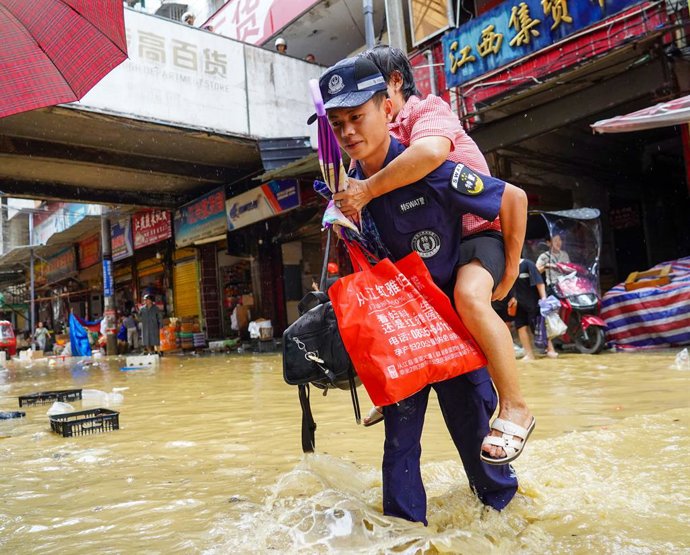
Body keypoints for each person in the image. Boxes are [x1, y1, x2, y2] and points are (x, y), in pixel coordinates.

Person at [319, 56, 528, 524]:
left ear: (387, 108)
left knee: (478, 443)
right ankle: (404, 536)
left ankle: (508, 528)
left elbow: (511, 197)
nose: (349, 130)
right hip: (405, 341)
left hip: (452, 331)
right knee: (399, 447)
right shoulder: (343, 197)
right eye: (338, 123)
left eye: (358, 116)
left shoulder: (426, 166)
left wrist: (510, 271)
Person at [505, 259, 558, 360]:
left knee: (539, 327)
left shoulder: (527, 264)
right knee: (521, 327)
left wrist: (544, 299)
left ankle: (550, 350)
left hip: (533, 302)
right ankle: (529, 354)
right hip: (518, 304)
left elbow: (539, 282)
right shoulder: (508, 267)